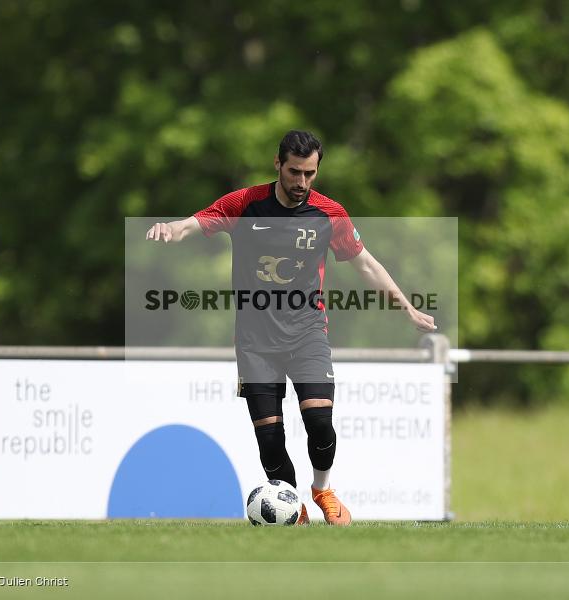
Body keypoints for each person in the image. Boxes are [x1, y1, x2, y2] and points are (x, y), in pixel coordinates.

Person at [147, 130, 436, 526]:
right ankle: (292, 511)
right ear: (278, 165)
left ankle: (322, 490)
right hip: (255, 342)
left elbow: (366, 264)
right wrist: (172, 228)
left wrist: (407, 308)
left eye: (310, 174)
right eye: (295, 172)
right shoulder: (246, 204)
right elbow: (196, 223)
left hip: (307, 333)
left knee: (320, 421)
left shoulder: (329, 214)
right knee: (270, 438)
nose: (301, 182)